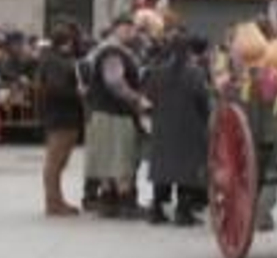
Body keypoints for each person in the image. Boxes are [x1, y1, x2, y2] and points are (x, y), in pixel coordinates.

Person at [82, 16, 151, 219]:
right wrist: (138, 99)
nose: (132, 33)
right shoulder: (113, 52)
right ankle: (125, 203)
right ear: (117, 29)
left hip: (103, 112)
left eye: (132, 29)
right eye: (127, 29)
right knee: (121, 159)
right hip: (115, 113)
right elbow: (114, 82)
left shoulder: (107, 50)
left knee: (106, 159)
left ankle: (108, 203)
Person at [145, 31, 212, 226]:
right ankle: (183, 211)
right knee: (186, 169)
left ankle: (156, 209)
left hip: (163, 124)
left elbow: (149, 97)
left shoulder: (157, 71)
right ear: (189, 51)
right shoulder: (195, 73)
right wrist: (205, 118)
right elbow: (203, 100)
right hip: (189, 126)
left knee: (163, 167)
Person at [36, 22, 85, 217]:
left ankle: (57, 200)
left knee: (59, 162)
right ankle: (53, 203)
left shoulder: (54, 59)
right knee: (55, 162)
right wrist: (77, 92)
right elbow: (56, 88)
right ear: (67, 41)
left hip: (64, 114)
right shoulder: (55, 61)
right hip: (61, 115)